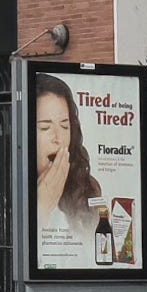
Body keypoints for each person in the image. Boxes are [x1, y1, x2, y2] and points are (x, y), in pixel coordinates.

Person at [34, 72, 102, 236]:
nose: (57, 138)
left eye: (65, 126)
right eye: (45, 127)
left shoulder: (86, 187)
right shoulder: (7, 191)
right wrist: (42, 207)